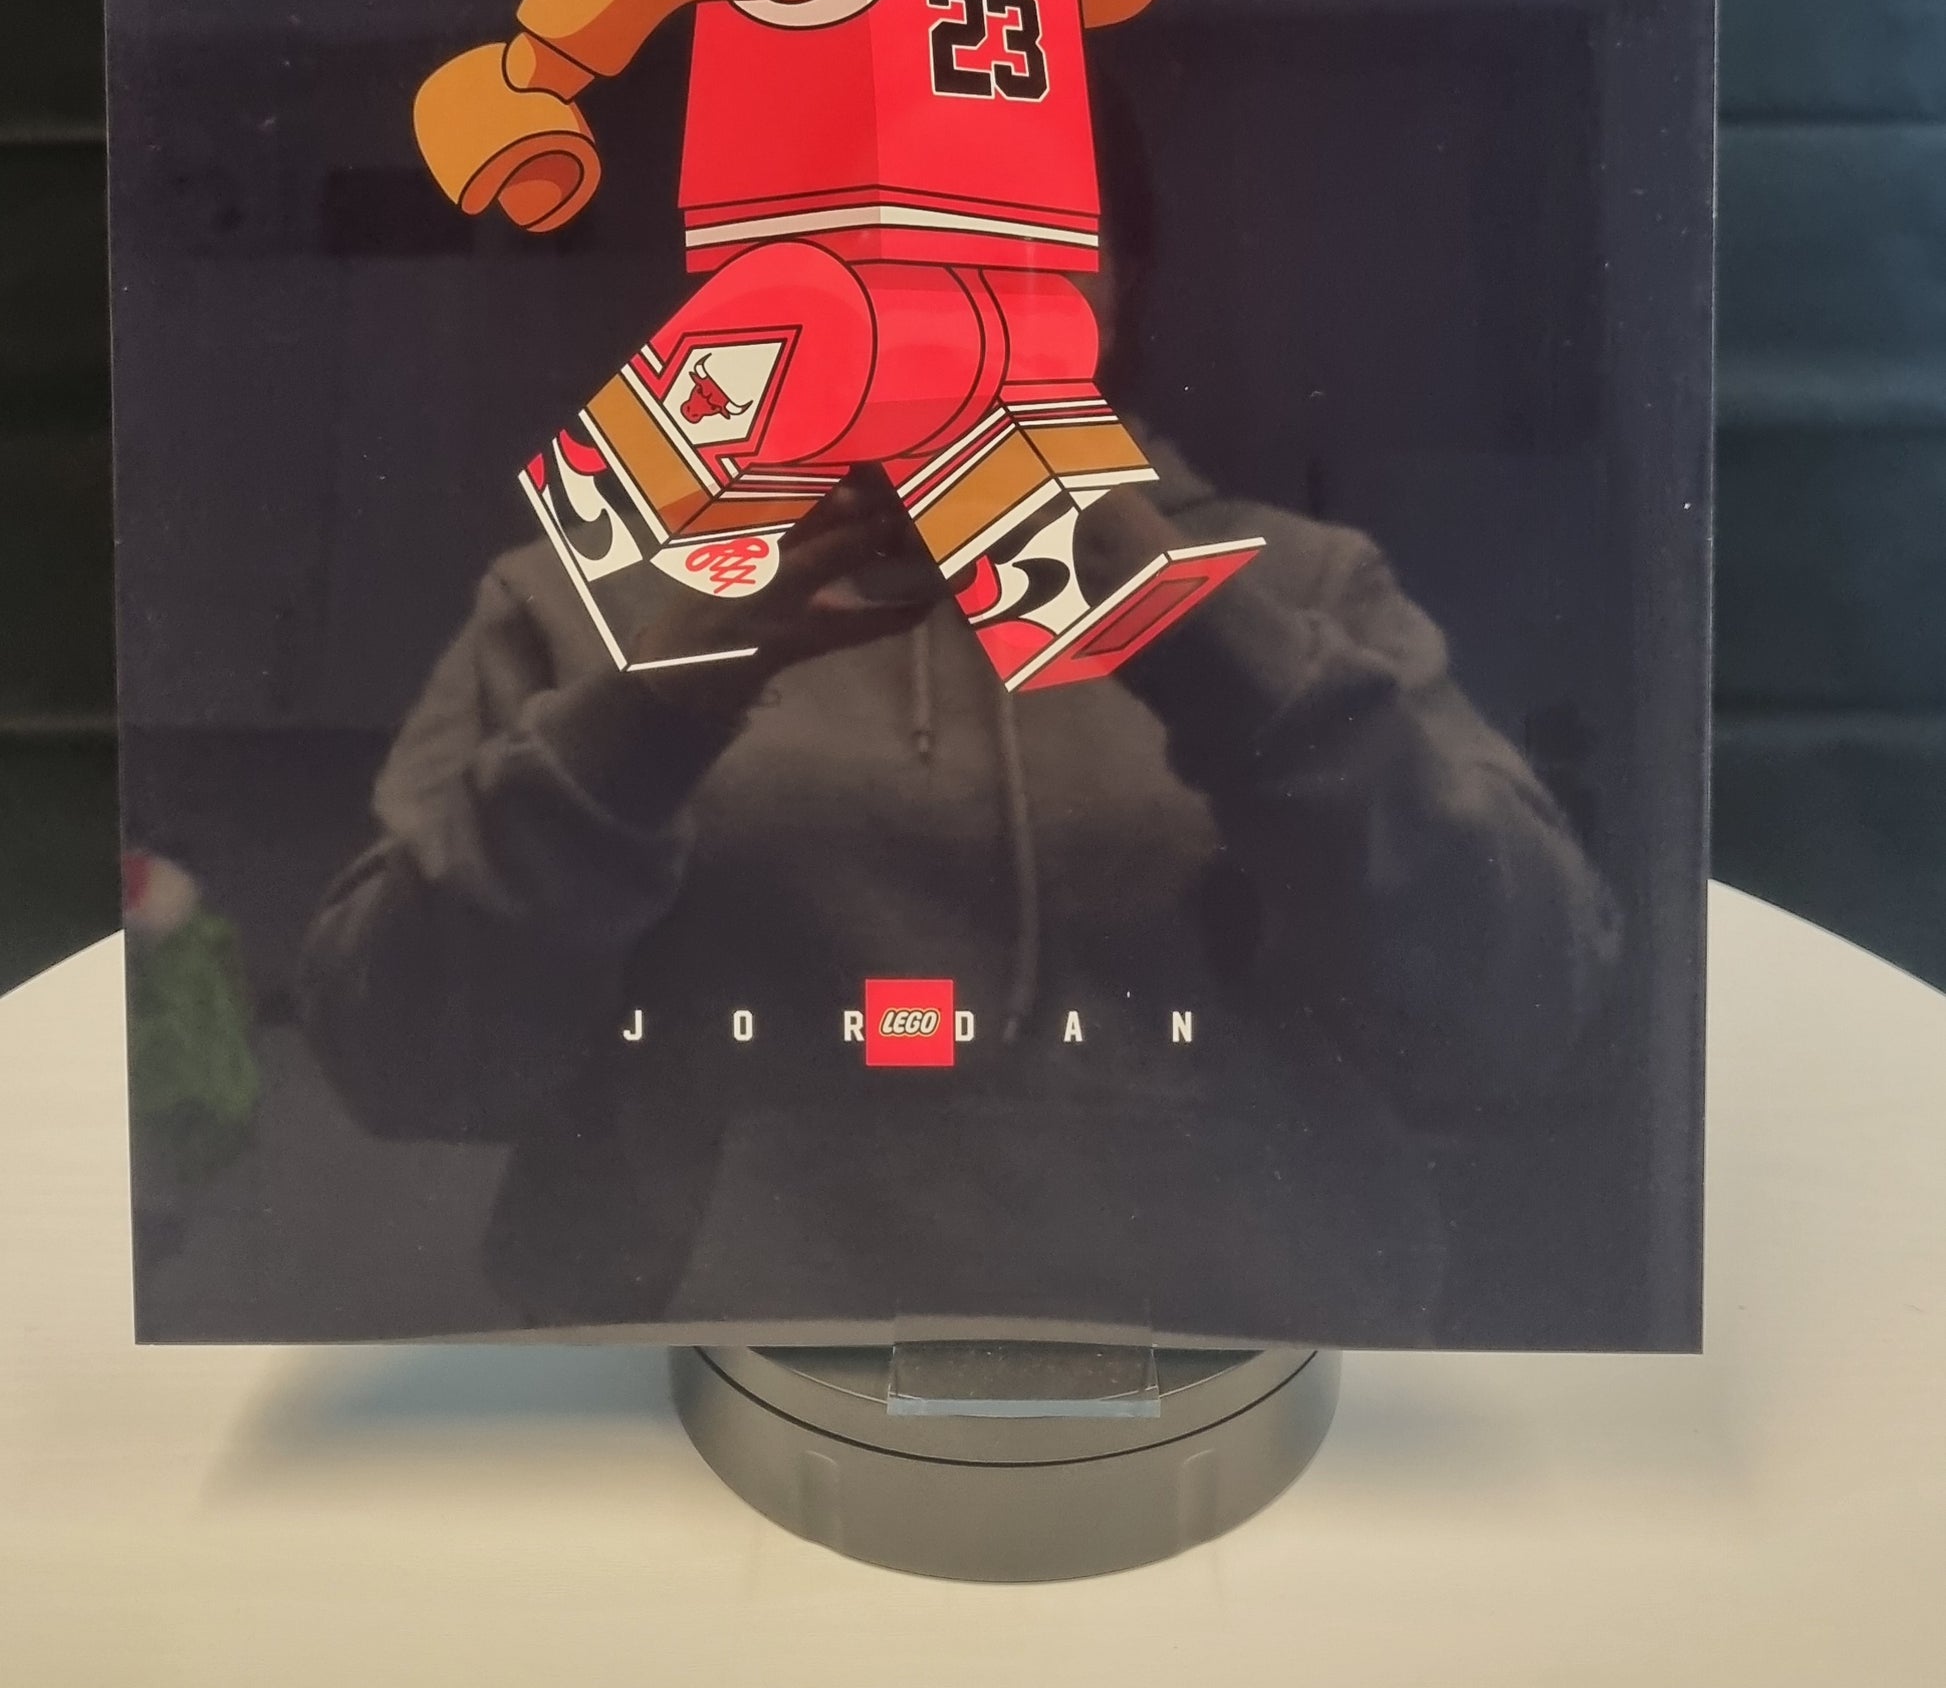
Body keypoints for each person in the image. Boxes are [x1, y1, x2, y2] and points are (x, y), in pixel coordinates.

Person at [301, 425, 1619, 1343]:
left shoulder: (1302, 584)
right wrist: (643, 713)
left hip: (1243, 1382)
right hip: (698, 1395)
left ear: (1114, 271)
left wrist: (1206, 636)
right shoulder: (579, 594)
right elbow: (401, 1060)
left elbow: (1519, 1008)